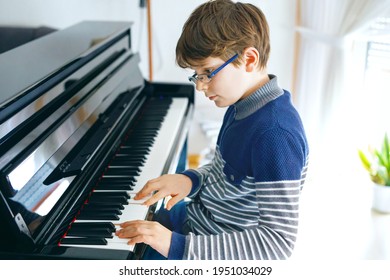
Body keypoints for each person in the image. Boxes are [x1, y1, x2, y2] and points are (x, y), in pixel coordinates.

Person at [116, 0, 309, 260]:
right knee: (119, 227)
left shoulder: (275, 134)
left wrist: (174, 245)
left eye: (208, 72)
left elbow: (277, 243)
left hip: (212, 251)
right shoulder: (242, 103)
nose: (200, 86)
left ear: (249, 59)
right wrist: (190, 179)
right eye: (196, 74)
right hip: (197, 220)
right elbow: (227, 174)